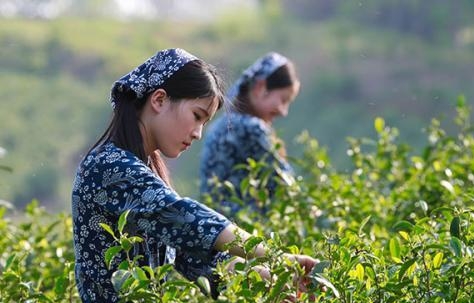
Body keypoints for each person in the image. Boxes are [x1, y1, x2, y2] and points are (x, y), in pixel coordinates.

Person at [71, 48, 316, 302]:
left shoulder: (144, 172)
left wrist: (268, 281)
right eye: (197, 116)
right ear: (159, 100)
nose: (198, 133)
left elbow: (193, 256)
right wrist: (276, 257)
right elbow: (184, 217)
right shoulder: (108, 167)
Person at [200, 52, 300, 216]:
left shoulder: (225, 123)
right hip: (243, 230)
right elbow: (286, 186)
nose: (284, 111)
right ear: (261, 87)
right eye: (283, 100)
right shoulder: (251, 128)